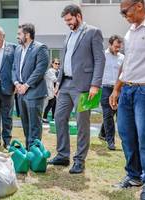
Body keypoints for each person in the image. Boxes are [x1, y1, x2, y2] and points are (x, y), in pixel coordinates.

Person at [48, 4, 105, 174]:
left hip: (84, 86)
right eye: (65, 21)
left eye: (69, 20)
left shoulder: (93, 32)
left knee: (82, 123)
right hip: (65, 84)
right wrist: (58, 82)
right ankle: (63, 155)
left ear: (78, 15)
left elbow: (100, 60)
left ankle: (79, 160)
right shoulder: (69, 35)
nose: (68, 23)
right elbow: (65, 59)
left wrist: (95, 84)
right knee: (59, 118)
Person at [109, 1, 145, 199]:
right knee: (126, 134)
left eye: (125, 11)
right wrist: (116, 89)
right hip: (127, 90)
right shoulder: (129, 32)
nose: (124, 15)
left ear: (139, 5)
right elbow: (126, 63)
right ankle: (134, 176)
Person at [12, 23, 49, 149]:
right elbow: (14, 69)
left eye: (19, 34)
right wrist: (17, 84)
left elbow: (40, 70)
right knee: (25, 124)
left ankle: (35, 151)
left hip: (34, 92)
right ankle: (29, 150)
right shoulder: (18, 49)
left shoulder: (40, 48)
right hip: (20, 93)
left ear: (27, 35)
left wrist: (26, 85)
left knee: (34, 125)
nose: (17, 36)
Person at [97, 35, 124, 151]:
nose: (118, 49)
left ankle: (102, 133)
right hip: (106, 88)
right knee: (108, 114)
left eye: (119, 47)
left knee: (118, 114)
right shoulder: (102, 56)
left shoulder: (123, 57)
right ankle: (110, 141)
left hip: (119, 89)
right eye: (116, 47)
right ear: (110, 45)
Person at [42, 58, 60, 123]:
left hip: (56, 90)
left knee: (54, 104)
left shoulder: (58, 71)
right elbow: (55, 79)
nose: (57, 65)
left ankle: (53, 118)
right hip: (51, 90)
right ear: (52, 64)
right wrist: (61, 78)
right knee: (51, 104)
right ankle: (44, 118)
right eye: (56, 63)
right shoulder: (50, 71)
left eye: (58, 64)